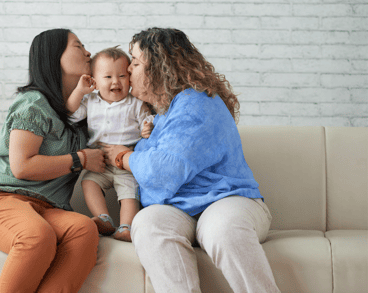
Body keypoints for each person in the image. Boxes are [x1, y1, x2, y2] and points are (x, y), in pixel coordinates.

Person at [103, 27, 281, 293]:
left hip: (225, 200)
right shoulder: (163, 113)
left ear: (160, 68)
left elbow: (162, 173)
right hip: (180, 209)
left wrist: (123, 156)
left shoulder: (196, 103)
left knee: (222, 229)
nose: (128, 69)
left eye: (136, 63)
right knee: (148, 223)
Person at [0, 28, 106, 293]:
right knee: (36, 236)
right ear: (54, 57)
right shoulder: (33, 103)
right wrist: (80, 159)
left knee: (83, 230)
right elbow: (22, 166)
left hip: (47, 207)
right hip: (1, 199)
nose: (88, 52)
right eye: (79, 46)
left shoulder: (82, 110)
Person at [66, 47, 154, 242]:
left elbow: (148, 121)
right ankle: (103, 218)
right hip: (100, 163)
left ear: (130, 78)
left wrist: (147, 128)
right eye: (108, 77)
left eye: (122, 75)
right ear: (94, 82)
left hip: (126, 163)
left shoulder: (135, 103)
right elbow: (70, 114)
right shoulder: (90, 101)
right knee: (89, 183)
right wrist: (80, 91)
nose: (115, 81)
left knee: (129, 193)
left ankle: (126, 227)